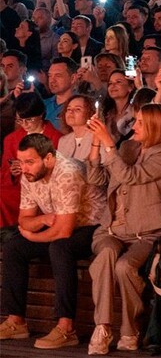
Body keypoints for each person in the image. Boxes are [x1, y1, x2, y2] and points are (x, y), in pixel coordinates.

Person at [83, 104, 161, 355]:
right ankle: (102, 327)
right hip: (111, 230)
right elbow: (97, 179)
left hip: (145, 232)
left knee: (125, 267)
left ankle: (130, 329)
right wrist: (96, 143)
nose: (134, 126)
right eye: (135, 120)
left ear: (156, 127)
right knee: (105, 256)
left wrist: (108, 145)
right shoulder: (126, 148)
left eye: (140, 122)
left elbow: (131, 176)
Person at [0, 133, 99, 350]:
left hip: (92, 226)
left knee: (60, 248)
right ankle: (16, 321)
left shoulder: (67, 173)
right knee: (13, 247)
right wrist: (42, 219)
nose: (24, 169)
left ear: (48, 158)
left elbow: (63, 232)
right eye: (21, 162)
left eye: (30, 162)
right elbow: (24, 220)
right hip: (56, 220)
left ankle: (66, 328)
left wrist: (33, 234)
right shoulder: (30, 175)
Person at [1, 94, 62, 227]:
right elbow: (4, 172)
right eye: (19, 120)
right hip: (18, 187)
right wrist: (12, 171)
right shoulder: (11, 139)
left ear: (41, 114)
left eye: (29, 119)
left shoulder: (57, 139)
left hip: (45, 189)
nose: (24, 124)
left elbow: (62, 171)